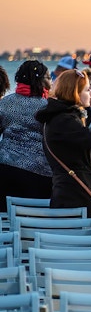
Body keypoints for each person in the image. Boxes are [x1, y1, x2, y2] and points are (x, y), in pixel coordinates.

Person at [35, 69, 91, 219]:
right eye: (87, 89)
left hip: (69, 194)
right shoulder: (64, 121)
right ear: (75, 92)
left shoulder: (58, 118)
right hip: (75, 198)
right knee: (80, 240)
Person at [0, 60, 53, 211]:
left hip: (5, 168)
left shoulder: (5, 103)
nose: (51, 82)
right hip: (39, 173)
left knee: (6, 216)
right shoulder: (48, 107)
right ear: (39, 81)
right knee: (33, 216)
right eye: (48, 78)